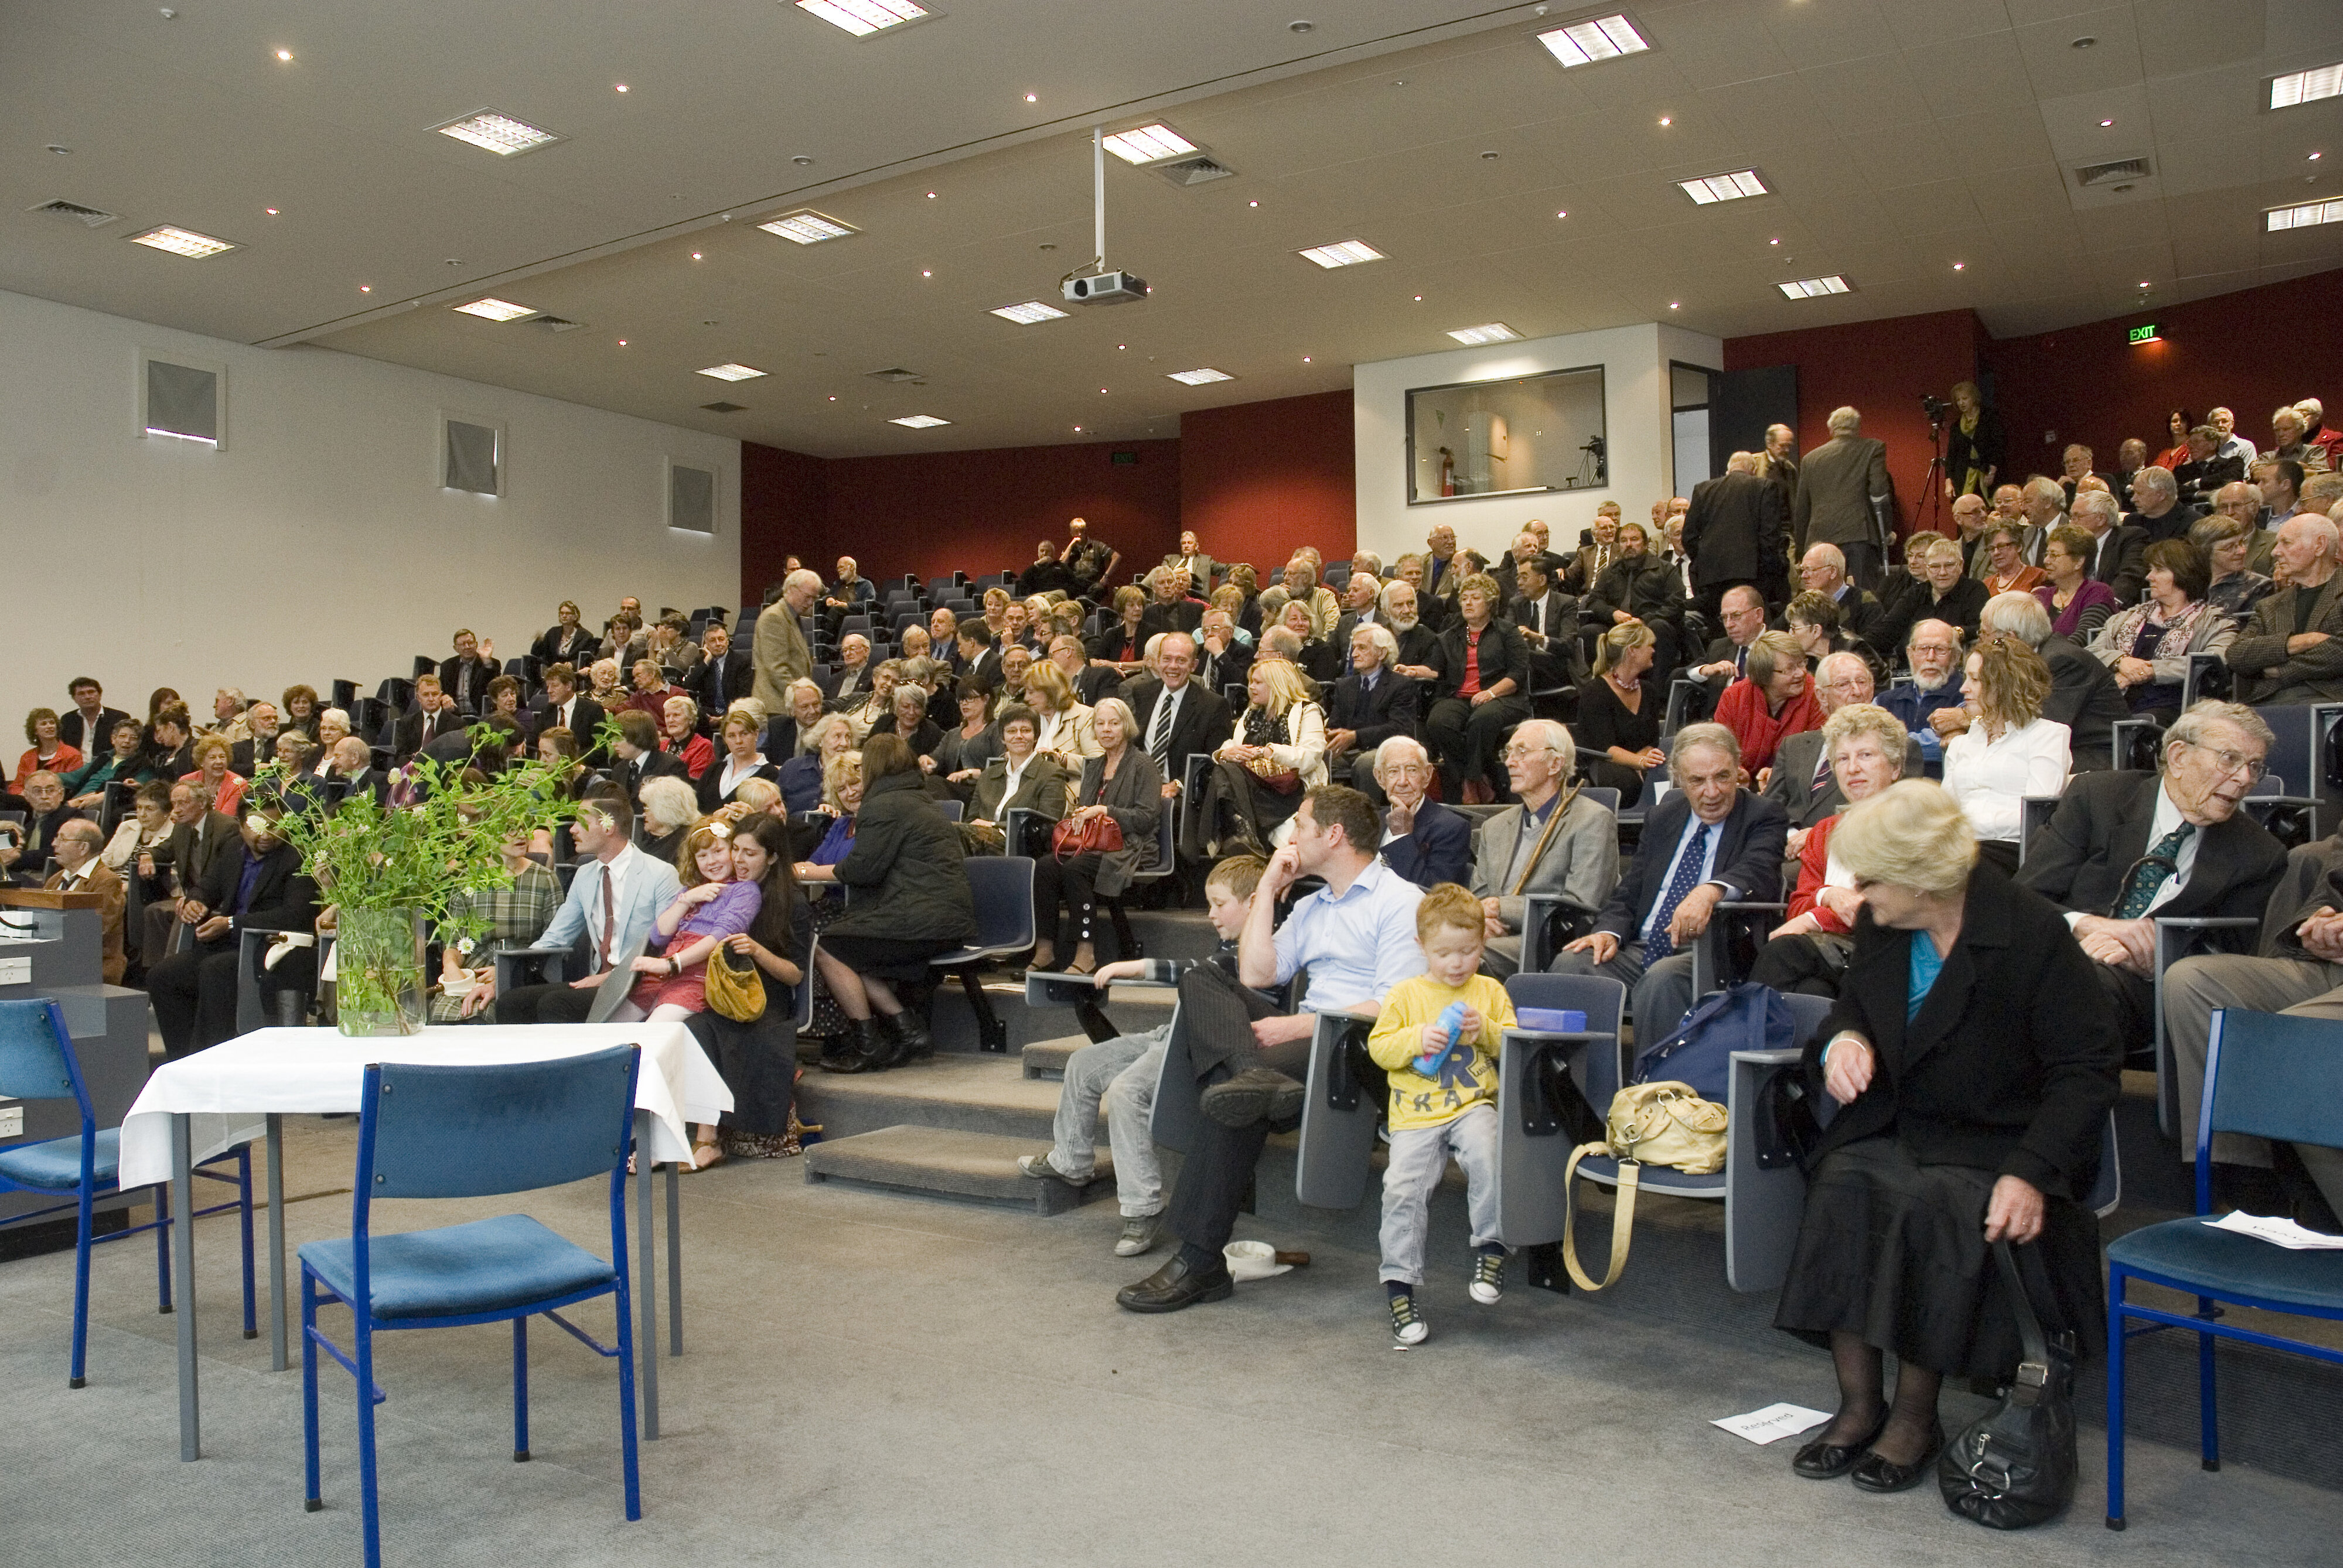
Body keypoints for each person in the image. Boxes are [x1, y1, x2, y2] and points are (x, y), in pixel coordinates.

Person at [1774, 780, 2119, 1499]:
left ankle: (1912, 1419)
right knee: (1845, 1177)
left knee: (1934, 1200)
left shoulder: (2031, 933)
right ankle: (1858, 1404)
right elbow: (1852, 1009)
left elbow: (2085, 1071)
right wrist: (1842, 1039)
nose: (1857, 894)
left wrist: (2031, 1172)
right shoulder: (1885, 922)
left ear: (1924, 879)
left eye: (1871, 879)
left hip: (1999, 1136)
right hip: (1903, 1117)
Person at [1117, 787, 1427, 1313]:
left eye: (1300, 826)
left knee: (1233, 1094)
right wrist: (1265, 885)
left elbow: (1397, 1007)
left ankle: (1199, 1259)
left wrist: (1298, 1027)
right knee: (1203, 978)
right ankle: (1248, 1075)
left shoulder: (1402, 902)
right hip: (1301, 1038)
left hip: (1352, 1043)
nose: (1290, 837)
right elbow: (1256, 973)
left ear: (1333, 835)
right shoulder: (1311, 905)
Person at [1019, 853, 1262, 1256]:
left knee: (1127, 1089)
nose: (1211, 914)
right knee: (1084, 1063)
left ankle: (1142, 1207)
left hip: (1202, 1042)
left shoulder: (1262, 947)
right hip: (1173, 1030)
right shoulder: (1230, 936)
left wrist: (1135, 967)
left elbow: (1199, 970)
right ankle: (1071, 1159)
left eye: (1220, 905)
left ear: (1254, 902)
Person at [2014, 699, 2285, 1056]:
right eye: (2230, 759)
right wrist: (2087, 926)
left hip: (2142, 989)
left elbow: (2234, 957)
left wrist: (2155, 956)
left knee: (2067, 997)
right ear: (2178, 757)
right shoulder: (2099, 797)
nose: (2245, 779)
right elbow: (2022, 899)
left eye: (2254, 766)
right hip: (2056, 954)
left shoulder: (2258, 855)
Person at [1550, 723, 1788, 1038]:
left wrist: (1709, 892)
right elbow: (1631, 891)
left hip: (1709, 952)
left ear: (1738, 769)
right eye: (1698, 781)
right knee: (1570, 965)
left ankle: (1656, 1087)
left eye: (1722, 776)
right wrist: (1608, 932)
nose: (1712, 791)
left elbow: (1759, 869)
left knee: (1662, 980)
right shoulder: (1663, 817)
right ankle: (1579, 1086)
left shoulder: (1762, 814)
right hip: (1641, 947)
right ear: (1678, 778)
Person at [1365, 883, 1520, 1346]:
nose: (1456, 963)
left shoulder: (1490, 990)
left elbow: (1513, 1044)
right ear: (1422, 947)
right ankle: (1399, 1285)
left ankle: (1492, 1247)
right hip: (1414, 1113)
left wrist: (1486, 1031)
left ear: (1482, 944)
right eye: (1444, 952)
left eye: (1468, 951)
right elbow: (1378, 1047)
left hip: (1472, 1103)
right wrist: (1415, 1040)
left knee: (1487, 1152)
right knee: (1401, 1189)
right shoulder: (1405, 993)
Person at [814, 734, 976, 1074]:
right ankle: (908, 1030)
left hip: (923, 920)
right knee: (852, 945)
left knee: (829, 946)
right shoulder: (920, 796)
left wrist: (817, 871)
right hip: (945, 917)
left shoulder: (883, 804)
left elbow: (863, 869)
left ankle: (870, 1043)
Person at [1747, 703, 1911, 999]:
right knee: (1812, 992)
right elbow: (1796, 907)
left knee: (1782, 952)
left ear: (1896, 767)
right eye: (1843, 759)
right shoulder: (1825, 830)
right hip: (1827, 957)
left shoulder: (1908, 824)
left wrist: (1816, 918)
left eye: (1866, 755)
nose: (1853, 768)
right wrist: (1830, 896)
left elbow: (1879, 908)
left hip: (1886, 951)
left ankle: (1737, 1039)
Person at [479, 792, 683, 1025]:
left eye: (580, 821)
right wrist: (504, 976)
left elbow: (665, 945)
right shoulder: (585, 875)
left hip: (638, 981)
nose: (572, 829)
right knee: (511, 1001)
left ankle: (568, 1062)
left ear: (608, 827)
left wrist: (611, 977)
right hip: (598, 980)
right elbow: (555, 937)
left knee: (555, 1003)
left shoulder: (660, 874)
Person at [146, 808, 316, 1058]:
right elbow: (206, 886)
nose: (266, 834)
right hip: (226, 942)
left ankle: (211, 1058)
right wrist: (196, 901)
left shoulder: (296, 858)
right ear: (241, 826)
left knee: (215, 970)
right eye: (257, 826)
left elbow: (295, 916)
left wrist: (232, 923)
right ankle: (181, 1059)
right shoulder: (233, 850)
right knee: (163, 975)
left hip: (269, 948)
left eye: (274, 826)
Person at [695, 814, 812, 1159]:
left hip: (766, 998)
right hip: (724, 990)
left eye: (750, 854)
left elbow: (795, 975)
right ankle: (695, 1136)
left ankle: (707, 1140)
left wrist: (758, 950)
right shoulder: (725, 891)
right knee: (688, 1027)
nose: (739, 861)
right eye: (736, 850)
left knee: (710, 1029)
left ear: (772, 857)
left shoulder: (793, 904)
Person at [1467, 720, 1619, 978]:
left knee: (1459, 957)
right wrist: (1483, 920)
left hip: (1552, 940)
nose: (1510, 762)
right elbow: (1478, 900)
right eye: (1508, 752)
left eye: (1522, 752)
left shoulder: (1593, 819)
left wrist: (1501, 909)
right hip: (1494, 939)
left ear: (1555, 764)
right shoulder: (1495, 827)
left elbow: (1581, 905)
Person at [1029, 699, 1161, 975]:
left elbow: (1147, 817)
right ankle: (1044, 951)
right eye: (1100, 724)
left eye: (1114, 723)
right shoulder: (1093, 765)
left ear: (1127, 726)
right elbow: (1087, 808)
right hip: (1092, 844)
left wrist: (1105, 810)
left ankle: (1086, 954)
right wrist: (1081, 814)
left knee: (1076, 869)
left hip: (1130, 846)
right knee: (1044, 867)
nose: (1107, 729)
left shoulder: (1143, 764)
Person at [1940, 633, 2068, 872]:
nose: (1963, 689)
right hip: (1960, 850)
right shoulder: (1961, 744)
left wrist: (1969, 824)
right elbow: (1945, 812)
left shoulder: (2048, 736)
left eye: (1975, 679)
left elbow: (2036, 816)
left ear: (2004, 685)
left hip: (2012, 851)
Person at [2085, 539, 2233, 716]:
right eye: (2150, 570)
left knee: (2140, 724)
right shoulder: (2127, 617)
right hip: (2113, 702)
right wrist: (2121, 661)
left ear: (2184, 574)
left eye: (2159, 570)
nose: (2149, 577)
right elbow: (2091, 652)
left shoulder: (2215, 622)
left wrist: (2149, 671)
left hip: (2175, 708)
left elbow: (2212, 662)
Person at [1196, 658, 1328, 854]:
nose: (1251, 687)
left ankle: (1228, 834)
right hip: (1253, 788)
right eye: (1251, 682)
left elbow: (1310, 757)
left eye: (1258, 682)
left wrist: (1268, 752)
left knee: (1227, 771)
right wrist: (1224, 753)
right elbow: (1232, 746)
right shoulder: (1251, 713)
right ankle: (1242, 832)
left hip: (1287, 790)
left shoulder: (1306, 711)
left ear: (1278, 683)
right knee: (1226, 766)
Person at [1421, 572, 1530, 805]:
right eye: (1464, 598)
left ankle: (1468, 782)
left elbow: (1518, 674)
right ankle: (1477, 778)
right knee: (1438, 721)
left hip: (1503, 696)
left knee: (1482, 719)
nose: (1467, 603)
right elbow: (1436, 670)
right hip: (1459, 696)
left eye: (1475, 598)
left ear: (1490, 603)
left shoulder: (1507, 632)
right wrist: (1414, 671)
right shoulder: (1450, 635)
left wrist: (1491, 693)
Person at [431, 826, 559, 1024]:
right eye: (510, 829)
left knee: (478, 1015)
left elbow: (554, 943)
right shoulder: (468, 877)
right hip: (475, 970)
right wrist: (450, 965)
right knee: (442, 1018)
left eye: (525, 827)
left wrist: (507, 970)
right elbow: (455, 940)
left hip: (524, 969)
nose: (522, 834)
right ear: (487, 832)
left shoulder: (545, 880)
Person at [2224, 513, 2343, 703]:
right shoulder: (2270, 605)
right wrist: (2299, 642)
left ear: (2320, 546)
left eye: (2286, 543)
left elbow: (2339, 652)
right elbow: (2237, 654)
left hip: (2330, 703)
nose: (2275, 552)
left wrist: (2279, 670)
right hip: (2267, 701)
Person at [1793, 405, 1894, 588]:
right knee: (1866, 595)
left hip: (1820, 537)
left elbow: (1802, 509)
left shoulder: (1810, 458)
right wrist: (1886, 531)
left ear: (1831, 429)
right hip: (1859, 534)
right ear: (1857, 427)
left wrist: (1801, 551)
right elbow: (1879, 491)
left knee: (1822, 594)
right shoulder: (1873, 448)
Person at [1682, 449, 1789, 619]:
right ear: (1753, 470)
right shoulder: (1764, 487)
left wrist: (1706, 560)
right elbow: (1770, 538)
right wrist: (1769, 574)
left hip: (1713, 579)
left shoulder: (1703, 489)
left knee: (1720, 631)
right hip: (1753, 577)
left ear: (1729, 469)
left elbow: (1688, 537)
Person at [1577, 622, 1667, 805]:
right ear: (1632, 650)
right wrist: (1639, 762)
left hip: (1641, 760)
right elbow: (1606, 748)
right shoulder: (1595, 692)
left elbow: (1652, 741)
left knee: (1666, 773)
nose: (1653, 651)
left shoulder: (1649, 691)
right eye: (1649, 645)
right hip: (1605, 764)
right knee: (1626, 782)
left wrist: (1645, 759)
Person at [1327, 624, 1423, 797]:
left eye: (1362, 648)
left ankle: (1368, 818)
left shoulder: (1400, 685)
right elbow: (1335, 726)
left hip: (1384, 749)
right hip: (1347, 752)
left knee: (1367, 764)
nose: (1354, 654)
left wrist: (1355, 736)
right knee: (1316, 759)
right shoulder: (1344, 685)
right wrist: (1326, 735)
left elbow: (1399, 728)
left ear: (1382, 653)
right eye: (1353, 648)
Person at [1583, 520, 1685, 679]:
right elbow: (1594, 600)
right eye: (1623, 540)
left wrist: (1644, 620)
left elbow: (1677, 603)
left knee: (1660, 626)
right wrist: (1613, 614)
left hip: (1650, 625)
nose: (1628, 544)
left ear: (1645, 544)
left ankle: (1656, 693)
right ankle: (1604, 686)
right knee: (1589, 632)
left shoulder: (1665, 569)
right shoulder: (1612, 571)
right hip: (1618, 626)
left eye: (1634, 540)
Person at [1714, 630, 1823, 777]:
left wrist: (1778, 776)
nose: (1801, 673)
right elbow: (1721, 749)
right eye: (1790, 668)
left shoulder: (1816, 694)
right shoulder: (1734, 697)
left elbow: (1816, 753)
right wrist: (1738, 774)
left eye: (1802, 663)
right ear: (1765, 674)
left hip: (1796, 782)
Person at [1373, 737, 1471, 888]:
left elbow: (1435, 896)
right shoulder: (1370, 821)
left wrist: (1401, 835)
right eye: (1393, 771)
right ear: (1380, 778)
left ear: (1427, 775)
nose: (1403, 781)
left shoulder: (1452, 828)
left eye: (1412, 770)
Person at [42, 818, 127, 984]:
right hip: (56, 959)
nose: (54, 843)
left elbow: (96, 928)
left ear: (83, 848)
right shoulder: (56, 880)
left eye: (62, 839)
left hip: (93, 964)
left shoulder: (107, 881)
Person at [1878, 534, 1988, 653]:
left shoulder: (1975, 590)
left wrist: (1958, 632)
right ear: (1927, 568)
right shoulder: (1916, 593)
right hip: (1910, 665)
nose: (1942, 572)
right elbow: (1887, 630)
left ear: (1960, 565)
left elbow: (1982, 629)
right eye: (1935, 567)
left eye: (1949, 565)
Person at [751, 568, 821, 714]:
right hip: (777, 708)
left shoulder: (792, 618)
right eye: (807, 597)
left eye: (814, 599)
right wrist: (803, 699)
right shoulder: (774, 617)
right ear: (791, 589)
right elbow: (776, 669)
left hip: (788, 705)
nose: (810, 603)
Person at [2034, 524, 2119, 643]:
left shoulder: (2098, 593)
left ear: (2079, 562)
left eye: (2054, 555)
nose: (2046, 561)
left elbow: (2083, 639)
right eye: (2047, 554)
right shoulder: (2040, 595)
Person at [697, 708, 782, 812]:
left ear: (756, 734)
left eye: (744, 734)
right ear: (724, 739)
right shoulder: (714, 769)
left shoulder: (770, 774)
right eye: (732, 736)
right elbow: (697, 806)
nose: (738, 741)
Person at [2193, 513, 2275, 621]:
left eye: (2242, 543)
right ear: (2205, 553)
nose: (2242, 551)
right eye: (2229, 547)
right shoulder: (2186, 585)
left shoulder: (2260, 587)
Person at [64, 718, 153, 811]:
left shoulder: (144, 765)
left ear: (139, 743)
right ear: (113, 739)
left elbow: (136, 790)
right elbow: (73, 777)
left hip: (99, 805)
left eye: (133, 738)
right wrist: (49, 776)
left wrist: (101, 797)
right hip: (74, 802)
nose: (127, 741)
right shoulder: (103, 758)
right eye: (122, 736)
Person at [1942, 380, 2004, 501]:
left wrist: (1992, 471)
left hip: (1987, 473)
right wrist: (1948, 483)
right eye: (1958, 400)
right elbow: (1952, 456)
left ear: (1974, 398)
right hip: (1964, 477)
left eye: (1965, 399)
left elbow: (1999, 446)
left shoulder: (1990, 418)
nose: (1961, 403)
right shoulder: (1956, 426)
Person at [59, 678, 131, 760]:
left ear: (100, 695)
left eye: (91, 692)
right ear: (74, 699)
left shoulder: (119, 718)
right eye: (81, 694)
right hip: (75, 768)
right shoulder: (68, 719)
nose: (87, 697)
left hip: (107, 769)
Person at [637, 776, 698, 865]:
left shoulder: (684, 843)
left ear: (665, 810)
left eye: (647, 808)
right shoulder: (651, 838)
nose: (644, 814)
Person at [1979, 522, 2045, 597]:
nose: (1996, 553)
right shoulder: (1986, 585)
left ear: (2019, 547)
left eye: (2002, 546)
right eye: (1991, 549)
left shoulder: (2038, 576)